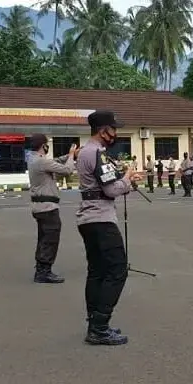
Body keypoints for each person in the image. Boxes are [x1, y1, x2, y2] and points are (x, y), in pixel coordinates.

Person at [76, 110, 141, 346]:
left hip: (87, 219)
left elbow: (107, 185)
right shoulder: (97, 153)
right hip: (101, 219)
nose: (115, 134)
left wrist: (126, 182)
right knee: (117, 270)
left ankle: (95, 321)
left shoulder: (85, 152)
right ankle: (99, 327)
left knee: (97, 271)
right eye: (113, 129)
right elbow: (111, 190)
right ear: (103, 130)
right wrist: (127, 179)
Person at [28, 133, 77, 284]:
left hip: (41, 207)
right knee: (50, 239)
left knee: (44, 238)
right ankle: (44, 272)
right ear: (43, 146)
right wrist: (71, 155)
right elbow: (68, 170)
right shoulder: (41, 162)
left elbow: (55, 162)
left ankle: (41, 269)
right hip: (47, 207)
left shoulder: (34, 159)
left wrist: (72, 155)